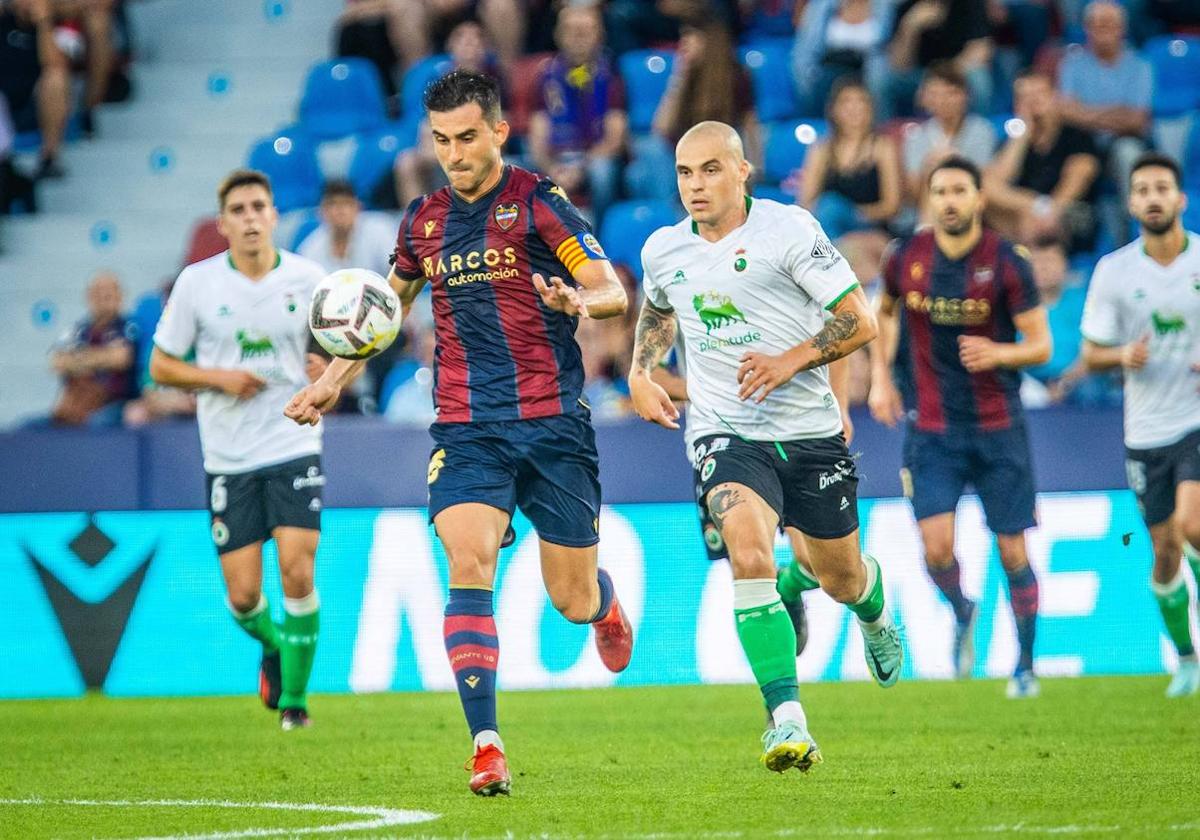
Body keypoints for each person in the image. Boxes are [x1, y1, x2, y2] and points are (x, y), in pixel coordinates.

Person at [284, 70, 634, 797]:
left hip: (552, 423)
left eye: (468, 137)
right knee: (468, 561)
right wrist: (329, 383)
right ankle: (486, 744)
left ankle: (603, 605)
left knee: (569, 599)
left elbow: (611, 288)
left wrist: (579, 297)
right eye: (442, 140)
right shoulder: (422, 222)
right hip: (466, 428)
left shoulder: (539, 203)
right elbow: (378, 316)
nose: (455, 153)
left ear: (500, 131)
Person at [630, 120, 902, 774]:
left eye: (711, 170)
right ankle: (786, 718)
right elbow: (661, 309)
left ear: (742, 170)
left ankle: (873, 603)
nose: (696, 185)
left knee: (840, 576)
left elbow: (858, 320)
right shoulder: (664, 249)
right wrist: (642, 371)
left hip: (808, 431)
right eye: (685, 173)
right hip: (726, 431)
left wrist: (789, 361)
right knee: (748, 552)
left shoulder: (789, 231)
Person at [149, 169, 330, 731]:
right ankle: (273, 645)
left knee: (298, 571)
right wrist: (218, 379)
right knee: (245, 595)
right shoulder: (197, 284)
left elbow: (339, 345)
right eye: (239, 210)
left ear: (274, 216)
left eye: (259, 207)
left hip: (293, 439)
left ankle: (295, 704)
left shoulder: (309, 278)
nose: (251, 218)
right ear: (223, 224)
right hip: (228, 455)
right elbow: (160, 367)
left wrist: (328, 365)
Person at [868, 155, 1052, 698]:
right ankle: (964, 610)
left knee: (1013, 550)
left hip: (998, 427)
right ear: (929, 199)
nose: (949, 201)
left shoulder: (1007, 261)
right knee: (936, 551)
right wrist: (881, 377)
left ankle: (1025, 664)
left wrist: (997, 351)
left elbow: (1042, 345)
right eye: (940, 191)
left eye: (959, 191)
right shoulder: (905, 256)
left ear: (978, 198)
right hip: (930, 428)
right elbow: (881, 312)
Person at [1079, 152, 1200, 698]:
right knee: (1165, 551)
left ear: (1180, 199)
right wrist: (1122, 355)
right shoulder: (1115, 271)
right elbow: (1091, 352)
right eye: (1143, 189)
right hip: (1146, 430)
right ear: (1131, 204)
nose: (1153, 197)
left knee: (1193, 523)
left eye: (1162, 188)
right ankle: (1187, 657)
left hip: (1196, 417)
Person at [627, 18, 760, 201]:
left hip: (716, 158)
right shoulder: (684, 77)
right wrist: (679, 77)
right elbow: (661, 128)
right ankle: (674, 217)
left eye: (690, 37)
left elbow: (750, 126)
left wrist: (755, 168)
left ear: (709, 40)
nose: (683, 44)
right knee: (643, 161)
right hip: (680, 160)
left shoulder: (735, 76)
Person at [1057, 0, 1152, 235]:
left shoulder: (1140, 65)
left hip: (1123, 143)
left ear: (1122, 29)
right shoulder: (1072, 64)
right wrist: (1117, 111)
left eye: (1109, 24)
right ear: (1086, 29)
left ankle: (1139, 229)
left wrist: (1086, 112)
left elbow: (1137, 121)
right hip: (1083, 144)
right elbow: (1065, 112)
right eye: (1096, 24)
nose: (1103, 29)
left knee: (1128, 152)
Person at [528, 3, 627, 225]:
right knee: (511, 169)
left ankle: (600, 237)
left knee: (603, 172)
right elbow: (537, 137)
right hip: (557, 158)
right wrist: (552, 168)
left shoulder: (611, 75)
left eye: (585, 30)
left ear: (600, 35)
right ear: (557, 35)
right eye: (571, 30)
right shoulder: (545, 77)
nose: (578, 37)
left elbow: (615, 138)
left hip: (594, 160)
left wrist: (581, 168)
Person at [983, 70, 1101, 254]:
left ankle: (1032, 267)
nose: (1033, 102)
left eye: (1039, 94)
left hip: (1071, 212)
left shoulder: (1076, 135)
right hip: (1027, 213)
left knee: (1032, 218)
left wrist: (1051, 210)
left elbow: (1080, 176)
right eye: (1025, 97)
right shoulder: (1014, 141)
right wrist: (1023, 134)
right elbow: (991, 185)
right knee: (985, 200)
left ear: (1054, 97)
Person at [800, 77, 903, 252]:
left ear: (871, 108)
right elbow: (806, 202)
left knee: (831, 207)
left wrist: (850, 213)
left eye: (861, 101)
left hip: (867, 225)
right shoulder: (821, 149)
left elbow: (891, 206)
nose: (854, 108)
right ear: (833, 110)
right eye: (846, 102)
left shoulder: (883, 147)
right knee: (827, 208)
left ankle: (827, 257)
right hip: (828, 223)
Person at [902, 61, 996, 212]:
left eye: (950, 93)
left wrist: (953, 162)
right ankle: (927, 233)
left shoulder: (981, 130)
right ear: (925, 98)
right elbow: (912, 194)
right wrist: (928, 167)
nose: (942, 101)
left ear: (965, 95)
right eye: (935, 94)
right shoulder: (917, 136)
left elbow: (986, 182)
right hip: (924, 210)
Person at [48, 271, 137, 426]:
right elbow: (56, 361)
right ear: (88, 296)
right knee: (33, 426)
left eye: (109, 291)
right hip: (78, 403)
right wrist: (101, 358)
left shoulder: (128, 326)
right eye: (97, 292)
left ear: (120, 296)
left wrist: (77, 359)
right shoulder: (78, 329)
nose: (103, 296)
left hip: (116, 402)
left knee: (97, 423)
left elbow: (120, 358)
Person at [884, 0, 992, 119]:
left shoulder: (970, 4)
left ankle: (979, 130)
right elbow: (898, 65)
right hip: (918, 77)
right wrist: (910, 27)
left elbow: (981, 50)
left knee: (978, 77)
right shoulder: (906, 6)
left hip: (958, 72)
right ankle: (880, 133)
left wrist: (938, 81)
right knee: (881, 80)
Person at [0, 0, 71, 178]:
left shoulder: (55, 26)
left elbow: (55, 63)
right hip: (2, 104)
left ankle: (49, 159)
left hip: (32, 108)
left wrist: (43, 24)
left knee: (56, 79)